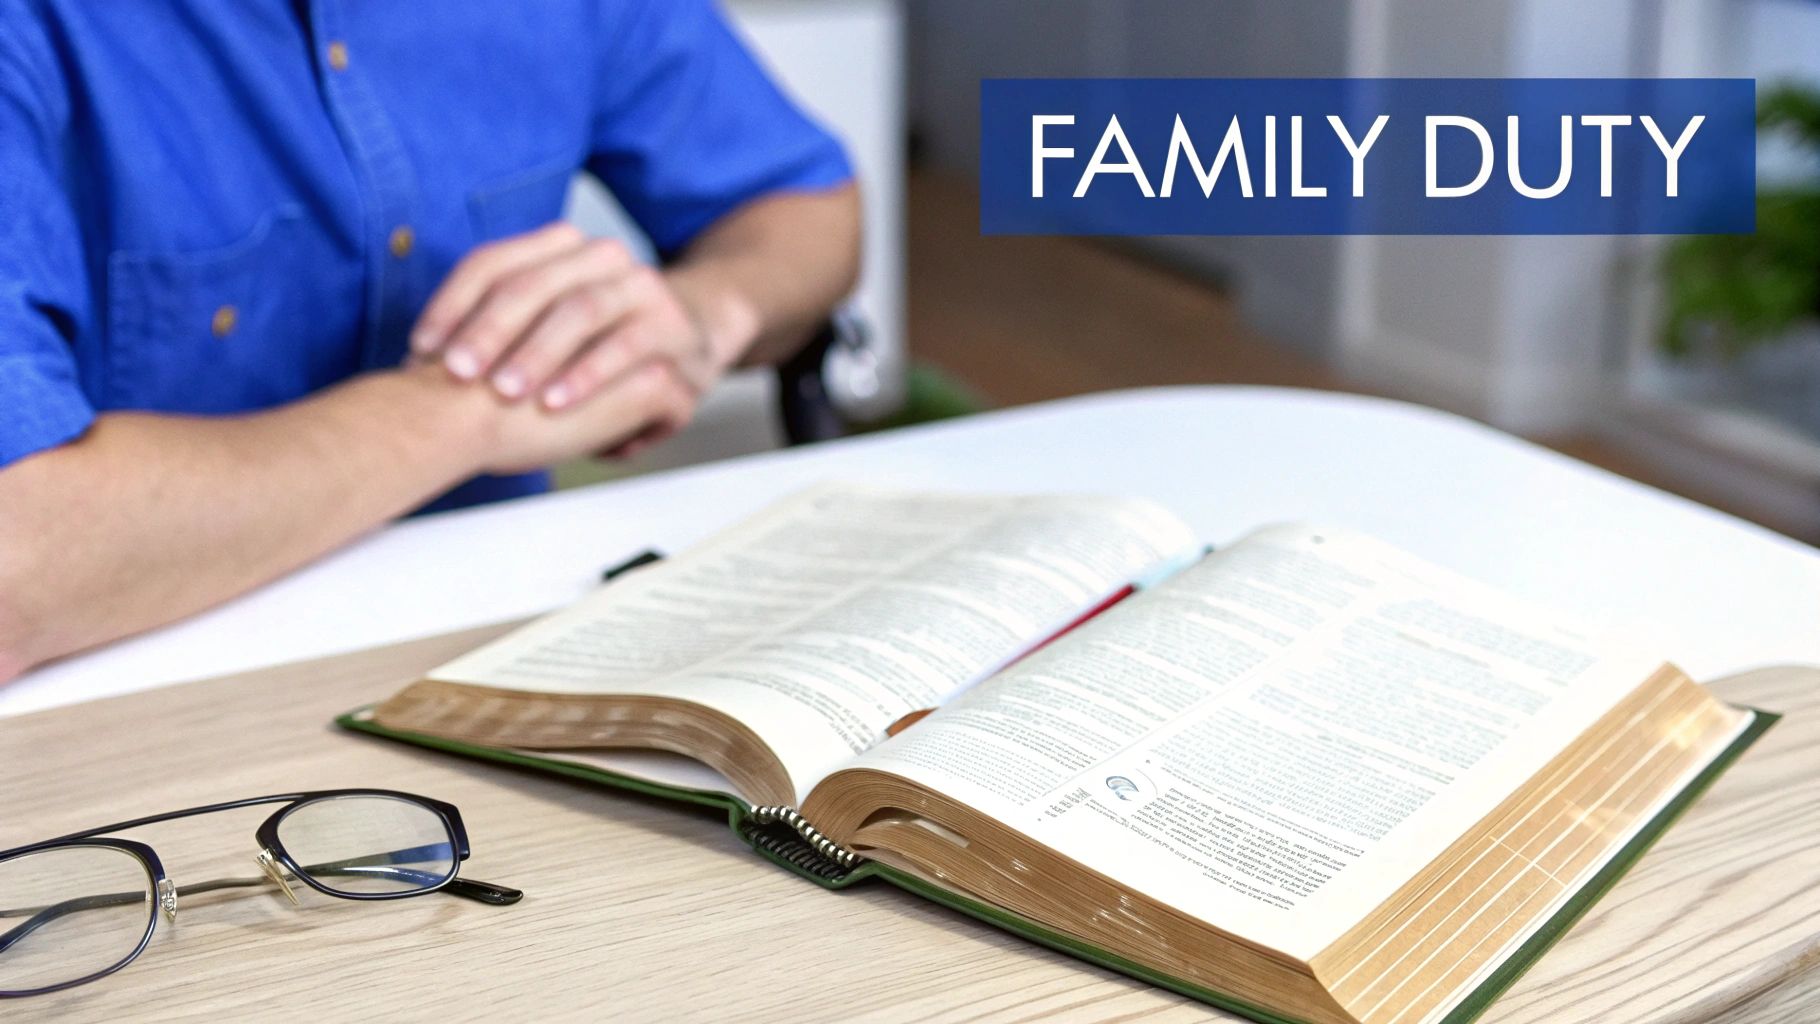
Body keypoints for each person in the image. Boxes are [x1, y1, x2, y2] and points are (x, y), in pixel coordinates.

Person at [0, 1, 861, 682]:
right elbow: (19, 560)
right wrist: (465, 411)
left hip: (501, 638)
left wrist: (704, 314)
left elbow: (807, 203)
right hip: (133, 684)